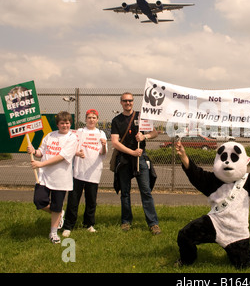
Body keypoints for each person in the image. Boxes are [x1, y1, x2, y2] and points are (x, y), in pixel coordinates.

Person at [175, 140, 250, 269]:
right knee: (185, 235)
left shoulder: (248, 182)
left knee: (243, 266)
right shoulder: (211, 181)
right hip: (215, 223)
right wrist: (183, 156)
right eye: (224, 157)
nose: (227, 161)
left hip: (237, 232)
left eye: (233, 158)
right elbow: (195, 173)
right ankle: (187, 260)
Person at [110, 92, 161, 234]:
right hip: (125, 159)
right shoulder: (116, 120)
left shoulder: (142, 116)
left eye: (130, 101)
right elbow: (115, 142)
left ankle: (153, 223)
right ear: (121, 102)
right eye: (125, 101)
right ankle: (126, 221)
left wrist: (144, 135)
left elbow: (155, 133)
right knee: (125, 192)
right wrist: (131, 152)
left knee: (146, 191)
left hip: (141, 158)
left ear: (133, 101)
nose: (128, 103)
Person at [27, 111, 78, 244]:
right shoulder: (49, 135)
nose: (64, 125)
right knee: (39, 201)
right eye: (62, 123)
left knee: (56, 206)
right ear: (57, 124)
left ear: (70, 124)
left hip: (61, 178)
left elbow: (61, 157)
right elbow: (41, 152)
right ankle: (59, 213)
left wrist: (41, 164)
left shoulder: (72, 138)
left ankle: (53, 233)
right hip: (44, 176)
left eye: (67, 123)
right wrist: (34, 151)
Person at [62, 109, 107, 237]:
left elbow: (103, 153)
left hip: (94, 173)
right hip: (78, 172)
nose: (91, 120)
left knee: (91, 200)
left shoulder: (101, 133)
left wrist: (103, 145)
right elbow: (71, 146)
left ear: (97, 120)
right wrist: (77, 153)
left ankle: (89, 224)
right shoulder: (79, 132)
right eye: (89, 117)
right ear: (86, 119)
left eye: (94, 117)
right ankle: (68, 226)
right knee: (73, 200)